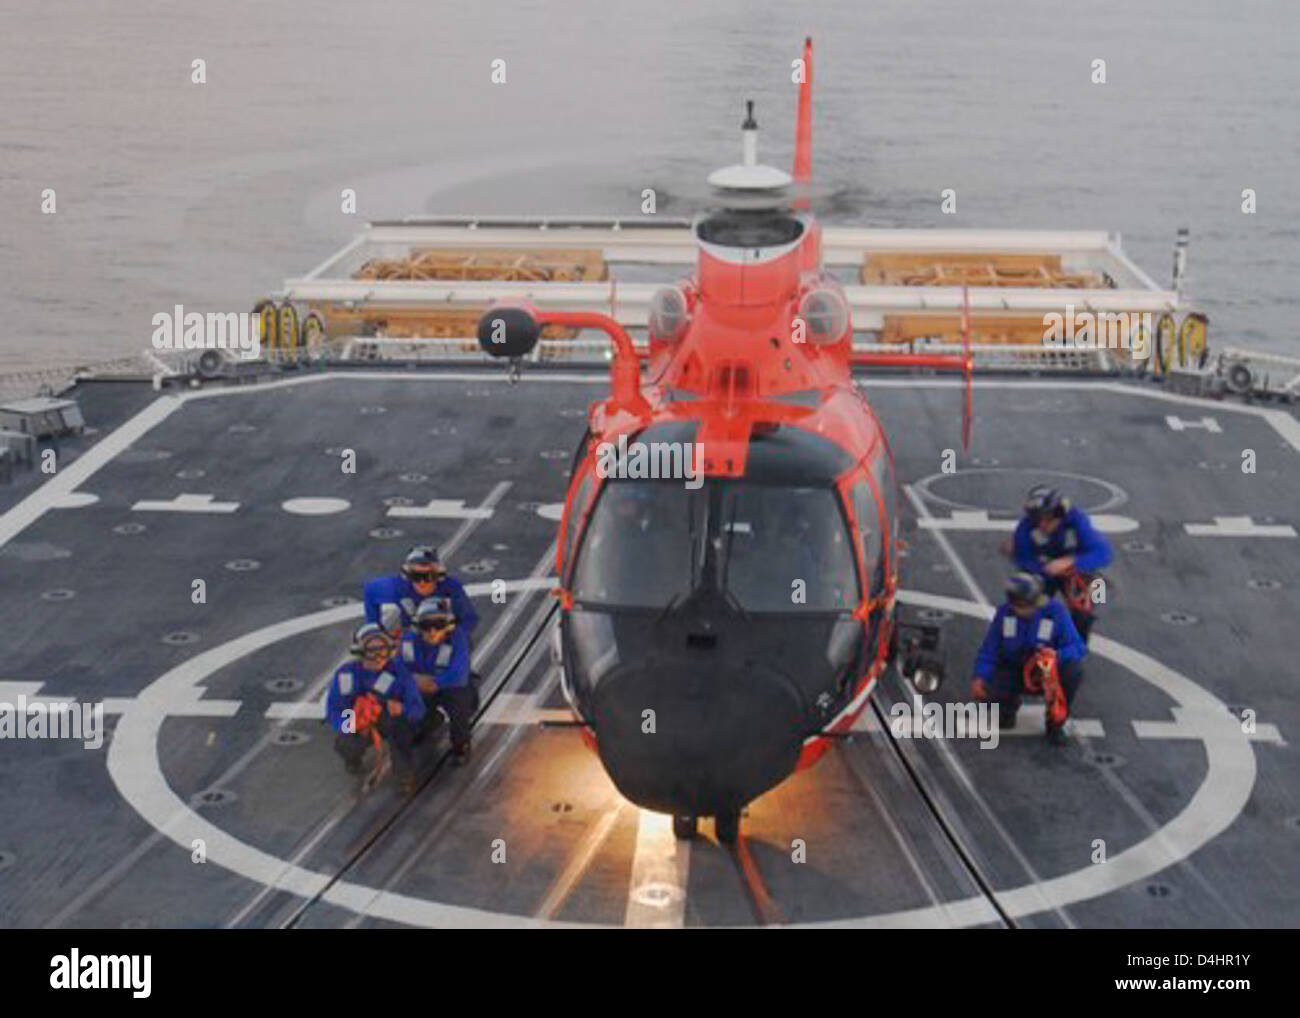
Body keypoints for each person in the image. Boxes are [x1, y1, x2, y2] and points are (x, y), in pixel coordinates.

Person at [972, 572, 1086, 745]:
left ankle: (1055, 723)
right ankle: (1007, 708)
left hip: (1045, 671)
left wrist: (1056, 655)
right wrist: (980, 677)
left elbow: (1077, 647)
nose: (1022, 609)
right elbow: (989, 649)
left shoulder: (1055, 612)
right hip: (1014, 667)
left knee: (1073, 671)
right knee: (989, 690)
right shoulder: (1005, 614)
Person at [326, 623, 427, 786]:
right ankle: (353, 758)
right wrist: (351, 724)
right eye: (371, 652)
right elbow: (333, 710)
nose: (378, 657)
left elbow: (418, 709)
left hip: (390, 719)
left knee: (401, 732)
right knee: (346, 742)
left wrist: (402, 709)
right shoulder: (346, 675)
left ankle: (404, 774)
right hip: (359, 720)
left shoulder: (399, 673)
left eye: (382, 650)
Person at [1011, 485, 1113, 642]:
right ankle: (1027, 644)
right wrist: (1043, 571)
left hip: (1074, 572)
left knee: (1086, 608)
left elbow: (1103, 553)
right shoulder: (1026, 528)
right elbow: (1023, 560)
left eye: (1047, 519)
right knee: (1025, 603)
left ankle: (1077, 648)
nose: (1042, 525)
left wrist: (1071, 562)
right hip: (1043, 572)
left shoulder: (1077, 521)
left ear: (1059, 515)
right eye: (1038, 520)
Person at [400, 597, 478, 765]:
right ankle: (428, 723)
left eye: (438, 625)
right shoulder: (407, 641)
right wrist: (414, 681)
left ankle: (461, 744)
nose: (432, 631)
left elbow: (459, 674)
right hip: (421, 687)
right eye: (426, 626)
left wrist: (434, 682)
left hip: (451, 687)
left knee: (460, 711)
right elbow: (398, 669)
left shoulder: (458, 638)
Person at [363, 544, 479, 638]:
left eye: (428, 576)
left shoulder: (451, 588)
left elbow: (469, 619)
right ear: (407, 576)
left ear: (438, 576)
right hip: (413, 637)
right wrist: (376, 631)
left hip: (444, 636)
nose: (422, 582)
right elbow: (370, 590)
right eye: (416, 576)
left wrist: (453, 637)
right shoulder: (398, 587)